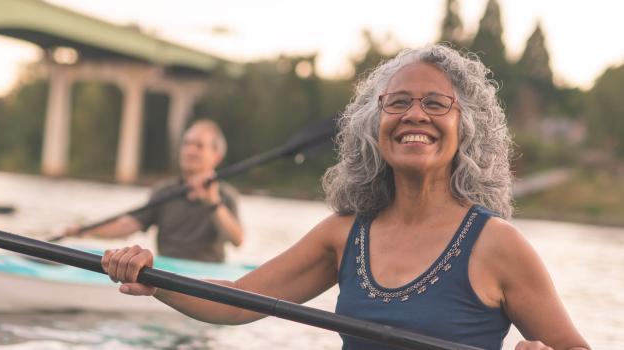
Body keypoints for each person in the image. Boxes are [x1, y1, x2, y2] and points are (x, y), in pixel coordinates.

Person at [100, 45, 589, 349]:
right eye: (397, 102)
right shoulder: (343, 235)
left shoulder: (498, 244)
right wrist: (155, 280)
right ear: (373, 126)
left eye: (436, 104)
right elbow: (233, 304)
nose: (414, 114)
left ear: (466, 129)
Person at [64, 119, 243, 263]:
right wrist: (86, 230)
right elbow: (129, 225)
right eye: (187, 144)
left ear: (216, 156)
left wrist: (213, 203)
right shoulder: (164, 190)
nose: (190, 150)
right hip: (167, 268)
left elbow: (237, 240)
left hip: (207, 274)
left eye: (198, 145)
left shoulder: (226, 196)